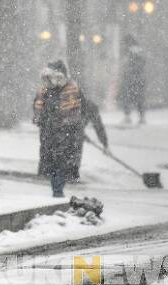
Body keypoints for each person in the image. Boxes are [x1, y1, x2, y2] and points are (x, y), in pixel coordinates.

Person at [33, 60, 82, 198]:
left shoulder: (71, 89)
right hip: (50, 131)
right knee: (53, 161)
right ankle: (57, 189)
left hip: (64, 132)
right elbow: (38, 107)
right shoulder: (44, 90)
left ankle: (58, 190)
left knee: (61, 160)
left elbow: (76, 110)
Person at [68, 97, 110, 181]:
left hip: (71, 131)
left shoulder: (90, 108)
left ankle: (72, 172)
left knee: (74, 147)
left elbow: (98, 127)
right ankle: (70, 172)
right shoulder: (70, 105)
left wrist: (105, 144)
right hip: (60, 129)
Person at [119, 35, 146, 124]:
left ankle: (128, 116)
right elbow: (142, 65)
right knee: (139, 98)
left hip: (131, 78)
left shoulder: (130, 52)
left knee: (127, 97)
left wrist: (127, 71)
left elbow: (130, 65)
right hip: (139, 78)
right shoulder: (139, 51)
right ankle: (141, 117)